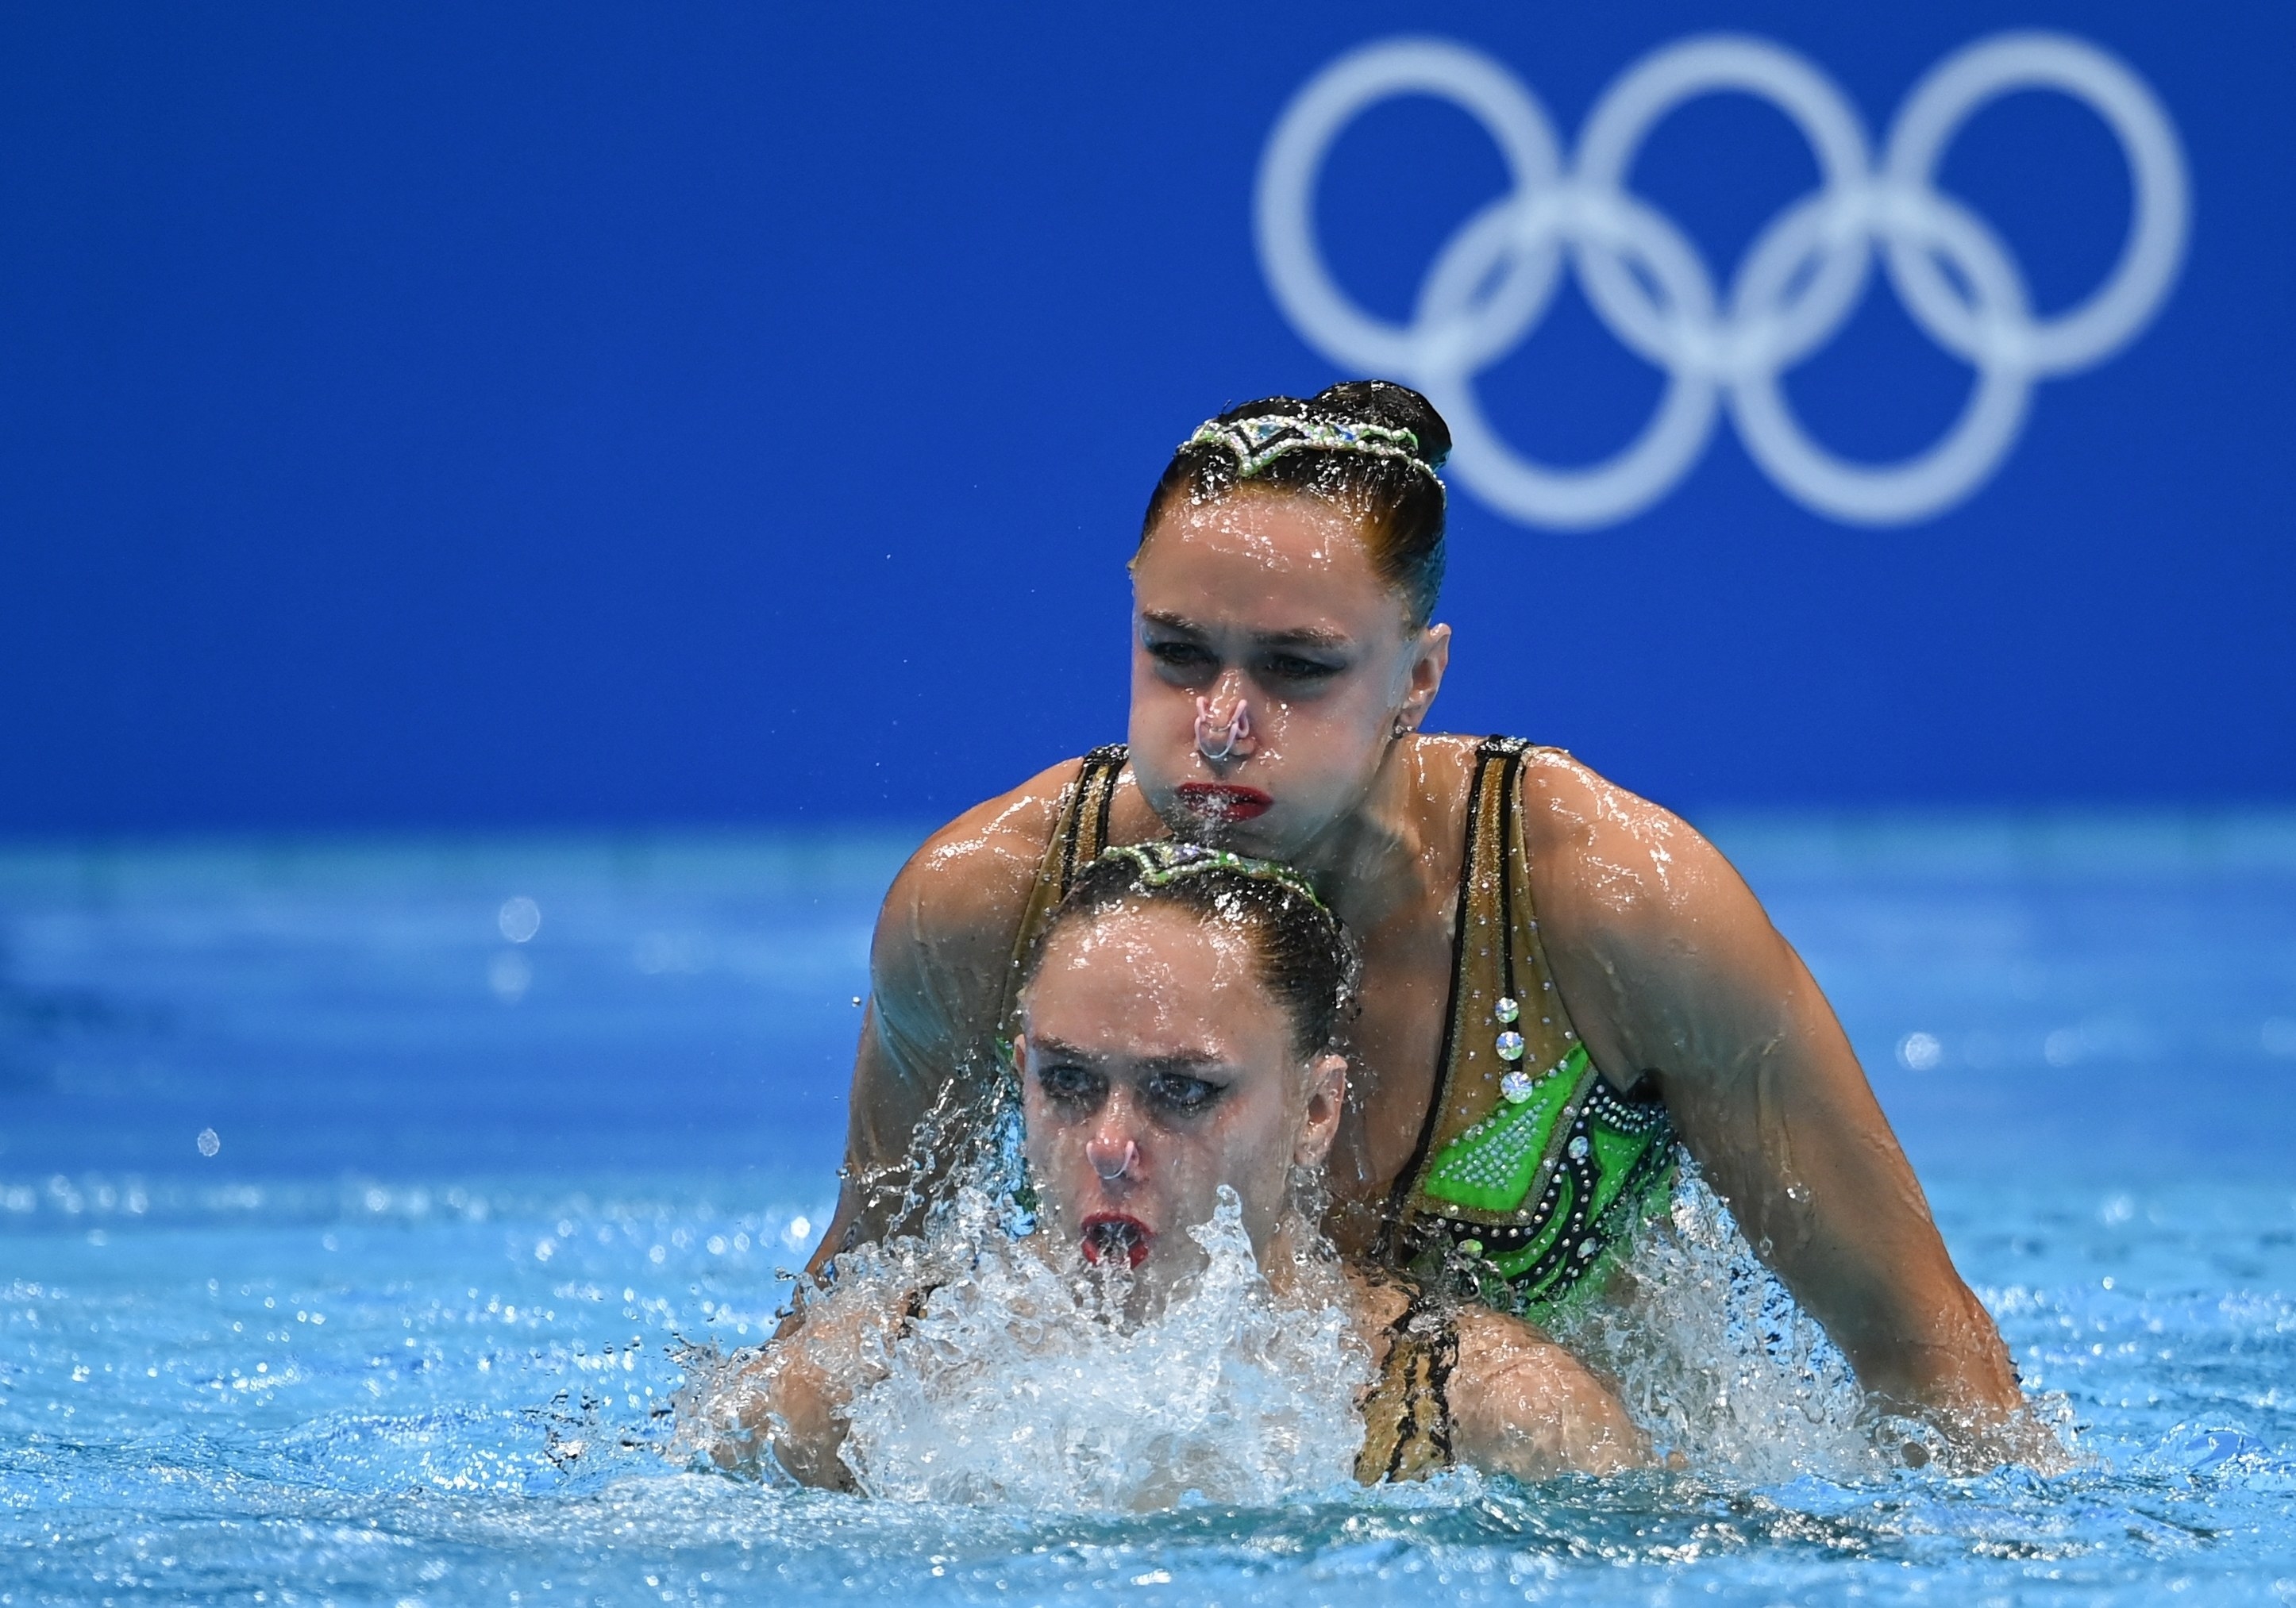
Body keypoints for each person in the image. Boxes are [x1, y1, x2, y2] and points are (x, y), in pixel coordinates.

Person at [819, 380, 2025, 1449]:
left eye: (1298, 669)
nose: (1224, 725)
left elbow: (1924, 1351)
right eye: (1178, 655)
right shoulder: (993, 903)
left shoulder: (1610, 908)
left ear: (1420, 678)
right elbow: (857, 1312)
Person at [712, 842, 1649, 1491]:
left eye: (1184, 1091)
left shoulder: (1488, 1413)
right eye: (1070, 1082)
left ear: (1316, 1111)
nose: (1112, 1147)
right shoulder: (862, 1380)